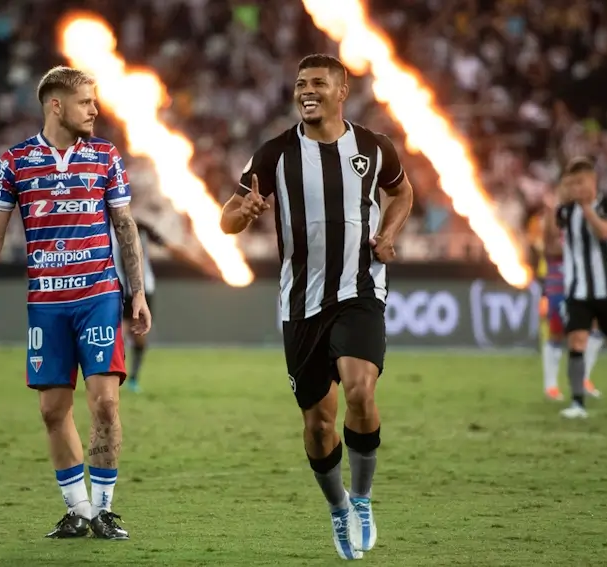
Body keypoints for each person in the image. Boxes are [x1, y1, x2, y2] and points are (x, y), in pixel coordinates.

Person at [219, 53, 413, 560]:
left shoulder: (373, 147)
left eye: (318, 83)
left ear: (341, 91)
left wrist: (388, 234)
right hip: (301, 301)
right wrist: (244, 210)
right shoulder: (274, 155)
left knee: (359, 389)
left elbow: (402, 191)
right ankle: (338, 506)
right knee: (318, 423)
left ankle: (364, 498)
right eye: (301, 83)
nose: (307, 91)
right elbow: (227, 220)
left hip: (360, 289)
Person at [0, 66, 151, 540]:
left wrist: (138, 292)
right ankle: (79, 510)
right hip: (46, 302)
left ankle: (105, 510)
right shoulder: (16, 162)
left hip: (98, 295)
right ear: (56, 105)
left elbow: (125, 228)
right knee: (52, 410)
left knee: (105, 403)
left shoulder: (106, 156)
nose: (95, 109)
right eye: (87, 101)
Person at [555, 157, 607, 419]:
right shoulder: (565, 211)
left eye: (580, 182)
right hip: (578, 289)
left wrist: (587, 208)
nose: (576, 188)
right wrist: (563, 197)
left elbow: (605, 232)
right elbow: (555, 228)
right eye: (573, 183)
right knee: (576, 341)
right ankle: (578, 403)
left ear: (592, 181)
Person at [111, 219, 217, 393]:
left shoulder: (142, 228)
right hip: (116, 288)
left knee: (138, 335)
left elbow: (170, 248)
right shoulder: (103, 226)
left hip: (143, 290)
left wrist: (201, 266)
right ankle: (113, 378)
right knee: (118, 333)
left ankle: (133, 379)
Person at [541, 186, 601, 401]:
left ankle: (583, 378)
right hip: (559, 291)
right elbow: (550, 246)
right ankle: (551, 386)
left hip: (580, 290)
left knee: (593, 330)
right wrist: (550, 209)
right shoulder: (554, 234)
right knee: (557, 335)